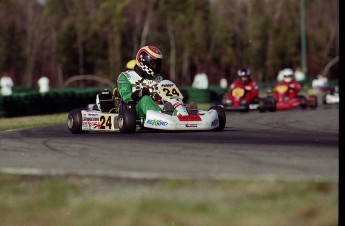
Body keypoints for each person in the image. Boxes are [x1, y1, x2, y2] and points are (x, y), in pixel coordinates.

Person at [116, 45, 197, 118]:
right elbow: (125, 97)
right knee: (146, 99)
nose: (156, 67)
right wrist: (139, 94)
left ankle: (183, 114)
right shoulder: (126, 76)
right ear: (142, 61)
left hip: (160, 107)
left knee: (171, 101)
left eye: (158, 64)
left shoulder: (159, 79)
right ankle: (164, 117)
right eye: (153, 64)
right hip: (134, 110)